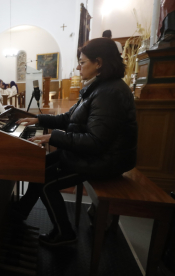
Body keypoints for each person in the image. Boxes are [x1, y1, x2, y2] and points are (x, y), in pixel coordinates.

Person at [14, 38, 137, 246]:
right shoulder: (98, 87)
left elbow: (95, 142)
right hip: (95, 154)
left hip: (105, 160)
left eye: (82, 62)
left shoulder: (109, 93)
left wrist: (54, 137)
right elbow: (68, 118)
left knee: (45, 183)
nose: (79, 67)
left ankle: (65, 234)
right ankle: (18, 215)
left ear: (98, 62)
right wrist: (39, 119)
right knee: (38, 167)